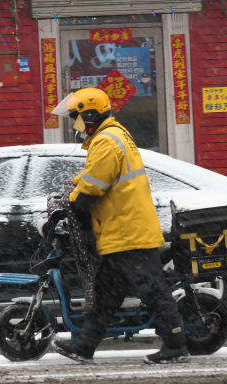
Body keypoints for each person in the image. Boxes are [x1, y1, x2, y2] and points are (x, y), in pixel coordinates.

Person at [49, 88, 188, 364]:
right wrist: (75, 184)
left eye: (77, 119)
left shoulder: (106, 141)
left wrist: (69, 200)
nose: (76, 126)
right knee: (105, 295)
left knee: (152, 290)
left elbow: (91, 189)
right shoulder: (111, 137)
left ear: (90, 116)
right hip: (119, 231)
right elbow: (93, 175)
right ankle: (84, 346)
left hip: (128, 232)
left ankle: (176, 347)